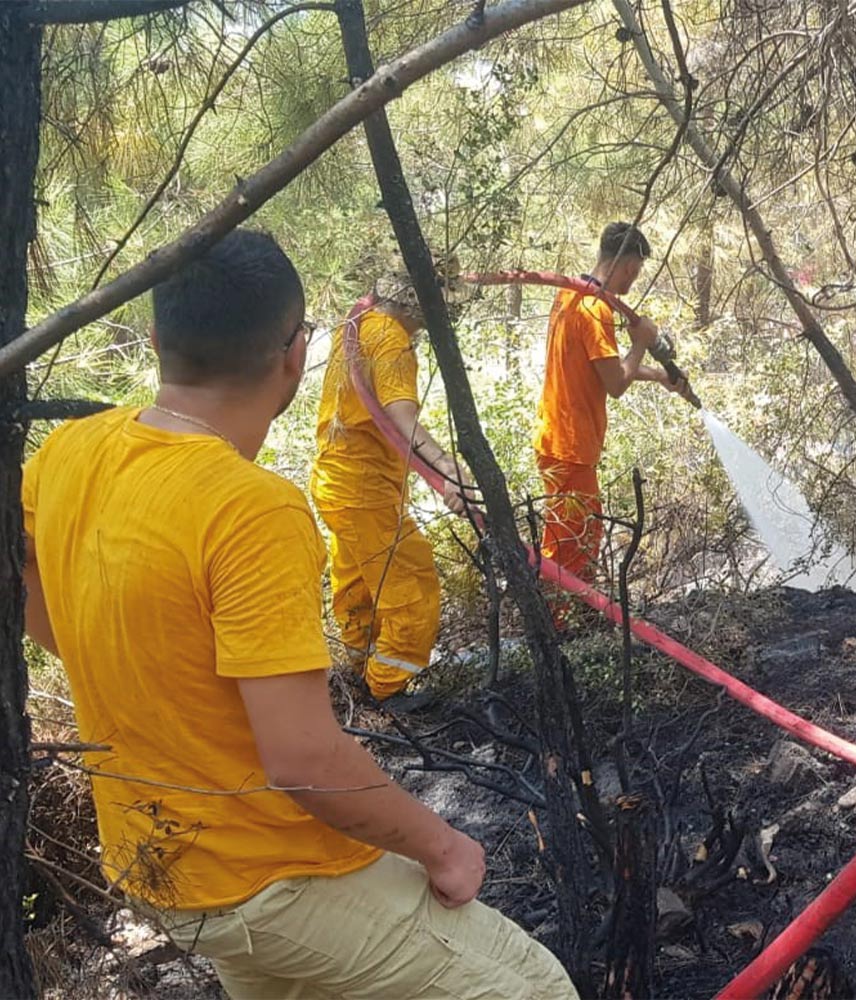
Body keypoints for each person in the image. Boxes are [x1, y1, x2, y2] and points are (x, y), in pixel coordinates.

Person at [22, 230, 576, 999]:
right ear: (297, 354)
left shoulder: (67, 452)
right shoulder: (251, 510)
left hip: (156, 865)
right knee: (534, 988)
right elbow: (303, 758)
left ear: (155, 338)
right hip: (265, 877)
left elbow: (50, 622)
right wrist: (442, 845)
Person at [310, 270, 467, 699]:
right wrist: (447, 469)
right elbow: (401, 418)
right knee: (411, 586)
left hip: (335, 483)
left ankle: (358, 671)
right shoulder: (391, 338)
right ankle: (388, 690)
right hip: (363, 492)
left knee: (360, 583)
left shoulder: (360, 322)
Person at [533, 222, 690, 581]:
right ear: (629, 266)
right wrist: (640, 342)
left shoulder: (571, 294)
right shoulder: (594, 309)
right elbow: (617, 383)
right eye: (634, 272)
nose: (632, 281)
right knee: (573, 544)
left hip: (559, 439)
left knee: (574, 538)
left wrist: (662, 377)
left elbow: (601, 370)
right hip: (570, 444)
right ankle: (562, 628)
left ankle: (569, 619)